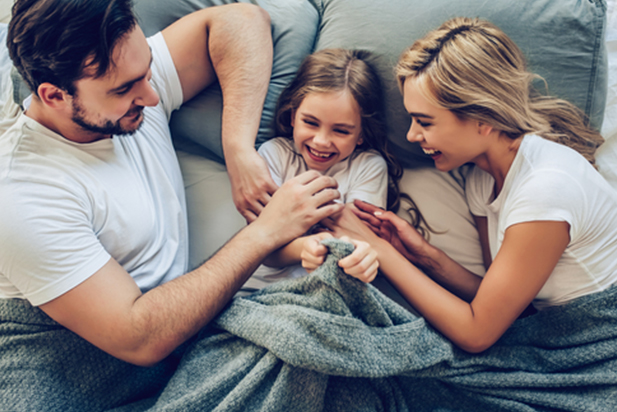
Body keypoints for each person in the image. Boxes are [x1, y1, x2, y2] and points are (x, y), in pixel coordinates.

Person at [0, 0, 344, 377]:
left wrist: (238, 148)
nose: (151, 96)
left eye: (147, 69)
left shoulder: (125, 78)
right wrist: (266, 231)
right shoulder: (22, 195)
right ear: (53, 96)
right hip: (69, 368)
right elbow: (138, 337)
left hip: (175, 345)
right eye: (126, 89)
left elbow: (241, 20)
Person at [326, 16, 617, 353]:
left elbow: (477, 334)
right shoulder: (481, 177)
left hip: (597, 344)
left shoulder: (546, 189)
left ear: (483, 120)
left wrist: (381, 251)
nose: (411, 135)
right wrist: (423, 256)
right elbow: (501, 301)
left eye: (425, 122)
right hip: (543, 335)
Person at [243, 48, 402, 290]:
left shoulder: (367, 167)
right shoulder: (274, 155)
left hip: (328, 294)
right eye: (310, 122)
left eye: (341, 130)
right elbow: (264, 247)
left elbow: (357, 240)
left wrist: (357, 256)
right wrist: (306, 247)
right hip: (260, 292)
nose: (321, 141)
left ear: (361, 134)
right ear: (293, 116)